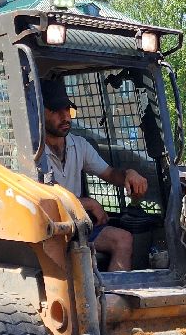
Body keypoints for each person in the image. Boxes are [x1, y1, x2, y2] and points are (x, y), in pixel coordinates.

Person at [38, 78, 149, 271]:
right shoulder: (32, 152)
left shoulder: (78, 145)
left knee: (123, 239)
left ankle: (114, 298)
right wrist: (89, 203)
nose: (65, 117)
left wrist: (128, 175)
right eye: (56, 111)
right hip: (47, 228)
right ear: (39, 112)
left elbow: (109, 173)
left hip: (78, 226)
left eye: (67, 110)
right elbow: (48, 197)